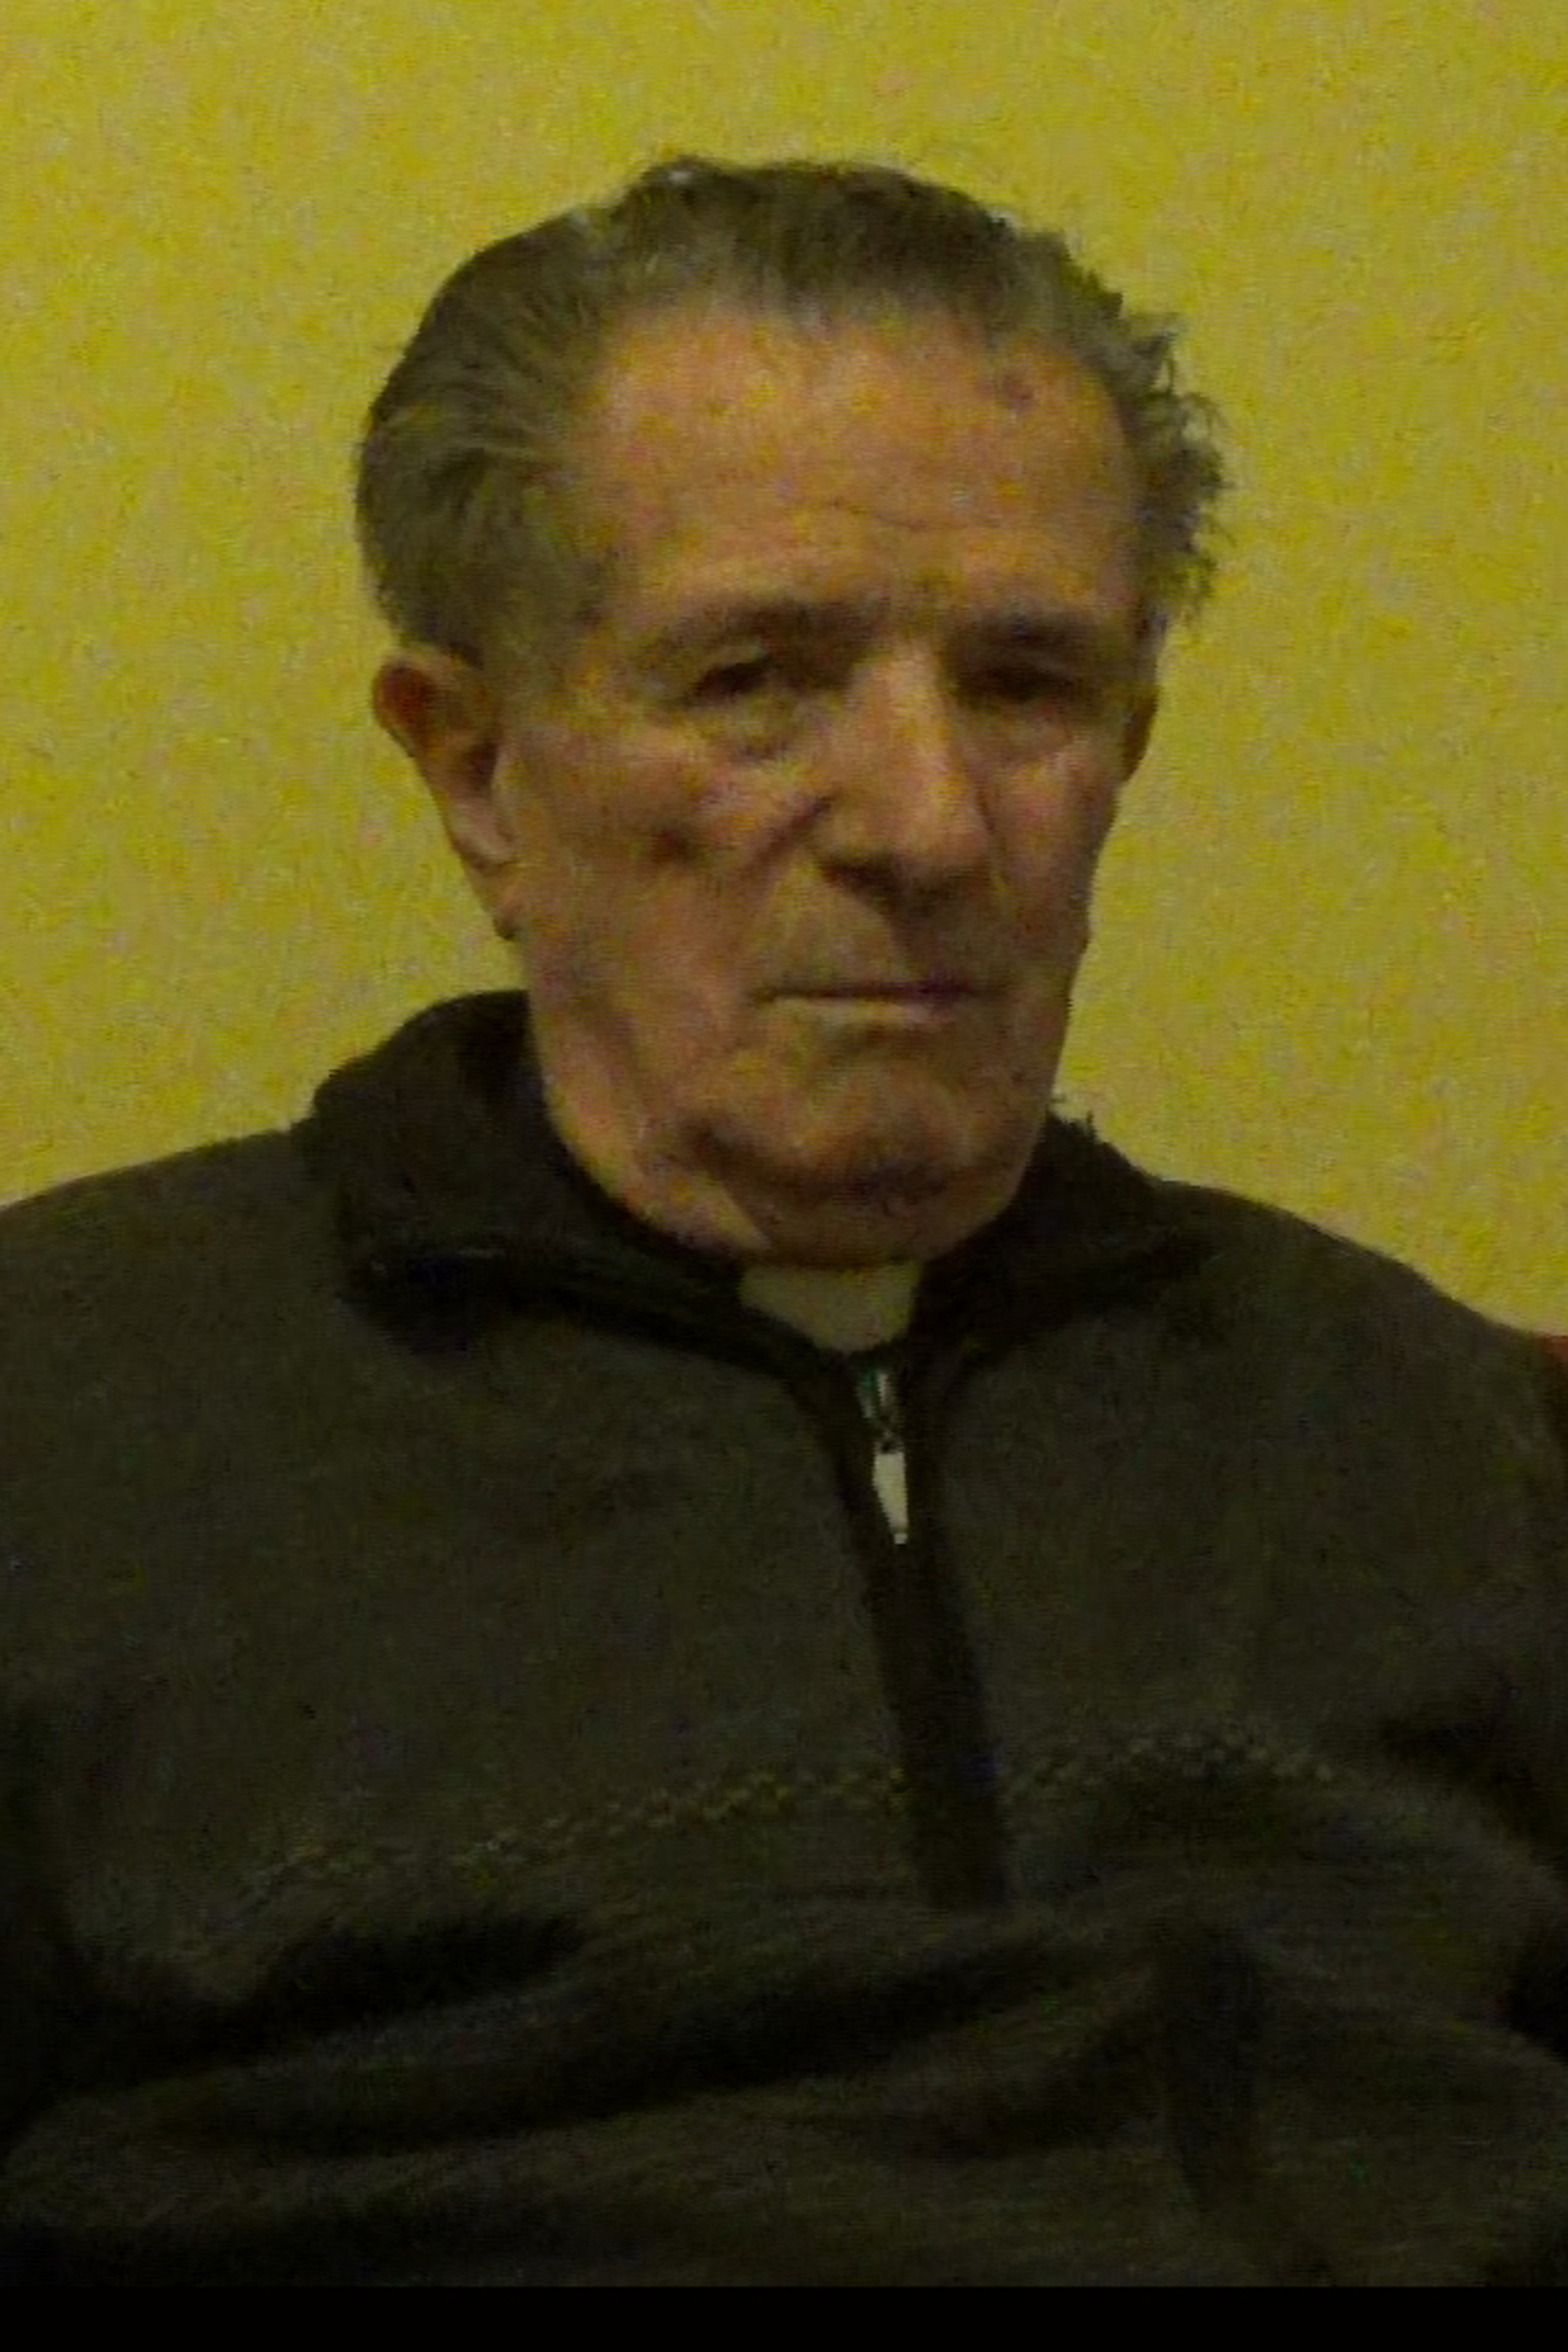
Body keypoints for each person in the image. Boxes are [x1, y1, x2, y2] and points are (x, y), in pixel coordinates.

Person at [1, 154, 1566, 2289]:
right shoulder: (70, 1433)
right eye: (758, 679)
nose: (927, 826)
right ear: (473, 767)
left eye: (1025, 687)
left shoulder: (1433, 1443)